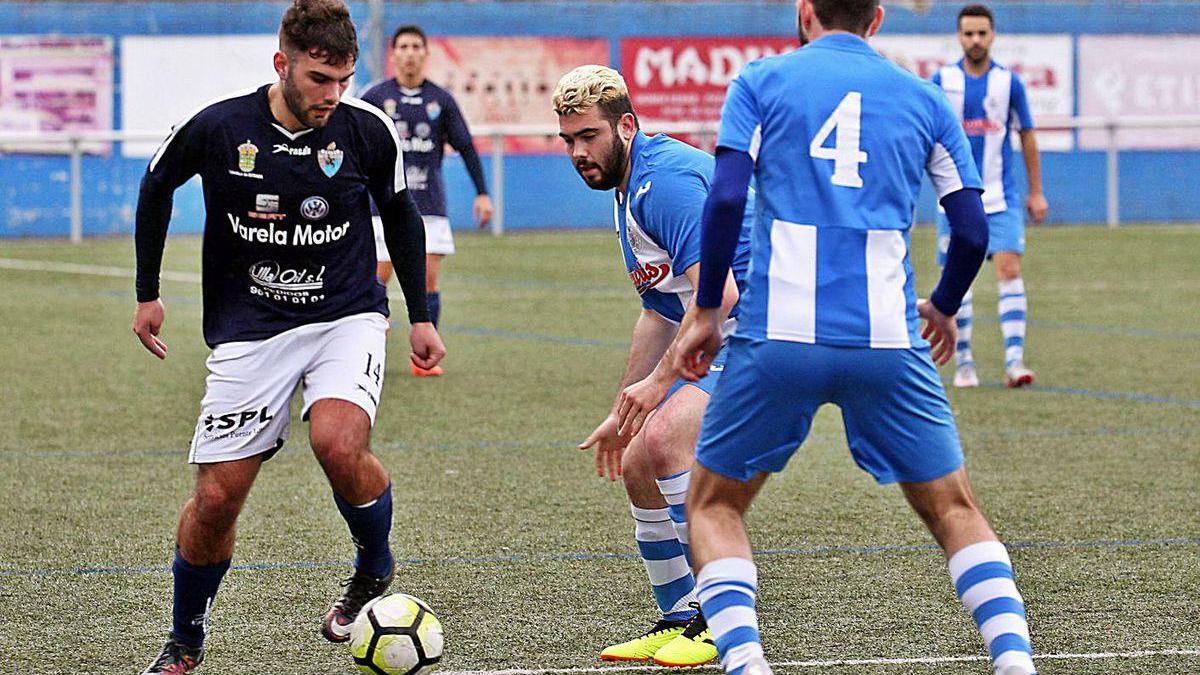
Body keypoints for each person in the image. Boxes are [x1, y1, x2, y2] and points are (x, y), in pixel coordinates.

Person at [672, 1, 1037, 675]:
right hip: (888, 340)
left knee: (714, 503)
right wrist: (946, 305)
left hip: (777, 337)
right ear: (877, 18)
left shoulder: (760, 81)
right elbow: (975, 231)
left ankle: (747, 663)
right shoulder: (924, 97)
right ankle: (1015, 661)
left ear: (805, 13)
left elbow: (723, 200)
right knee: (954, 507)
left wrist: (703, 312)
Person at [131, 1, 445, 672]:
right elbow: (156, 185)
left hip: (346, 314)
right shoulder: (221, 127)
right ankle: (186, 637)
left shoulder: (367, 130)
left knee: (337, 439)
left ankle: (372, 563)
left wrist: (420, 315)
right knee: (216, 497)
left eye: (344, 80)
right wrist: (147, 293)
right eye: (319, 79)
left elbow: (402, 215)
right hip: (250, 327)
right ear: (283, 65)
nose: (334, 96)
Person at [555, 65, 753, 668]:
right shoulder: (628, 186)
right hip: (718, 328)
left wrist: (660, 387)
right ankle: (678, 617)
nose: (578, 152)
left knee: (665, 437)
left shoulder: (661, 183)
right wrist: (624, 410)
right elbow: (660, 313)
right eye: (567, 140)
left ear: (627, 125)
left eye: (588, 136)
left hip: (764, 332)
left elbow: (718, 300)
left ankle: (714, 621)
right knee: (639, 454)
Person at [360, 24, 493, 376]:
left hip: (428, 205)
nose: (409, 52)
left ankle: (422, 359)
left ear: (425, 52)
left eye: (416, 46)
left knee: (428, 279)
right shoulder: (375, 97)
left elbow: (465, 147)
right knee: (376, 279)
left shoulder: (441, 100)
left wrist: (482, 193)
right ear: (393, 53)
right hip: (380, 205)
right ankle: (365, 346)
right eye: (402, 46)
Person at [933, 3, 1049, 388]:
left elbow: (1027, 135)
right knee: (959, 279)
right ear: (959, 36)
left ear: (993, 34)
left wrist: (1036, 192)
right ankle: (964, 364)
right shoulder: (942, 80)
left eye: (982, 33)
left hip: (1002, 198)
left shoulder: (1009, 83)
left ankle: (1015, 361)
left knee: (1010, 269)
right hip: (955, 200)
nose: (976, 40)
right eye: (969, 33)